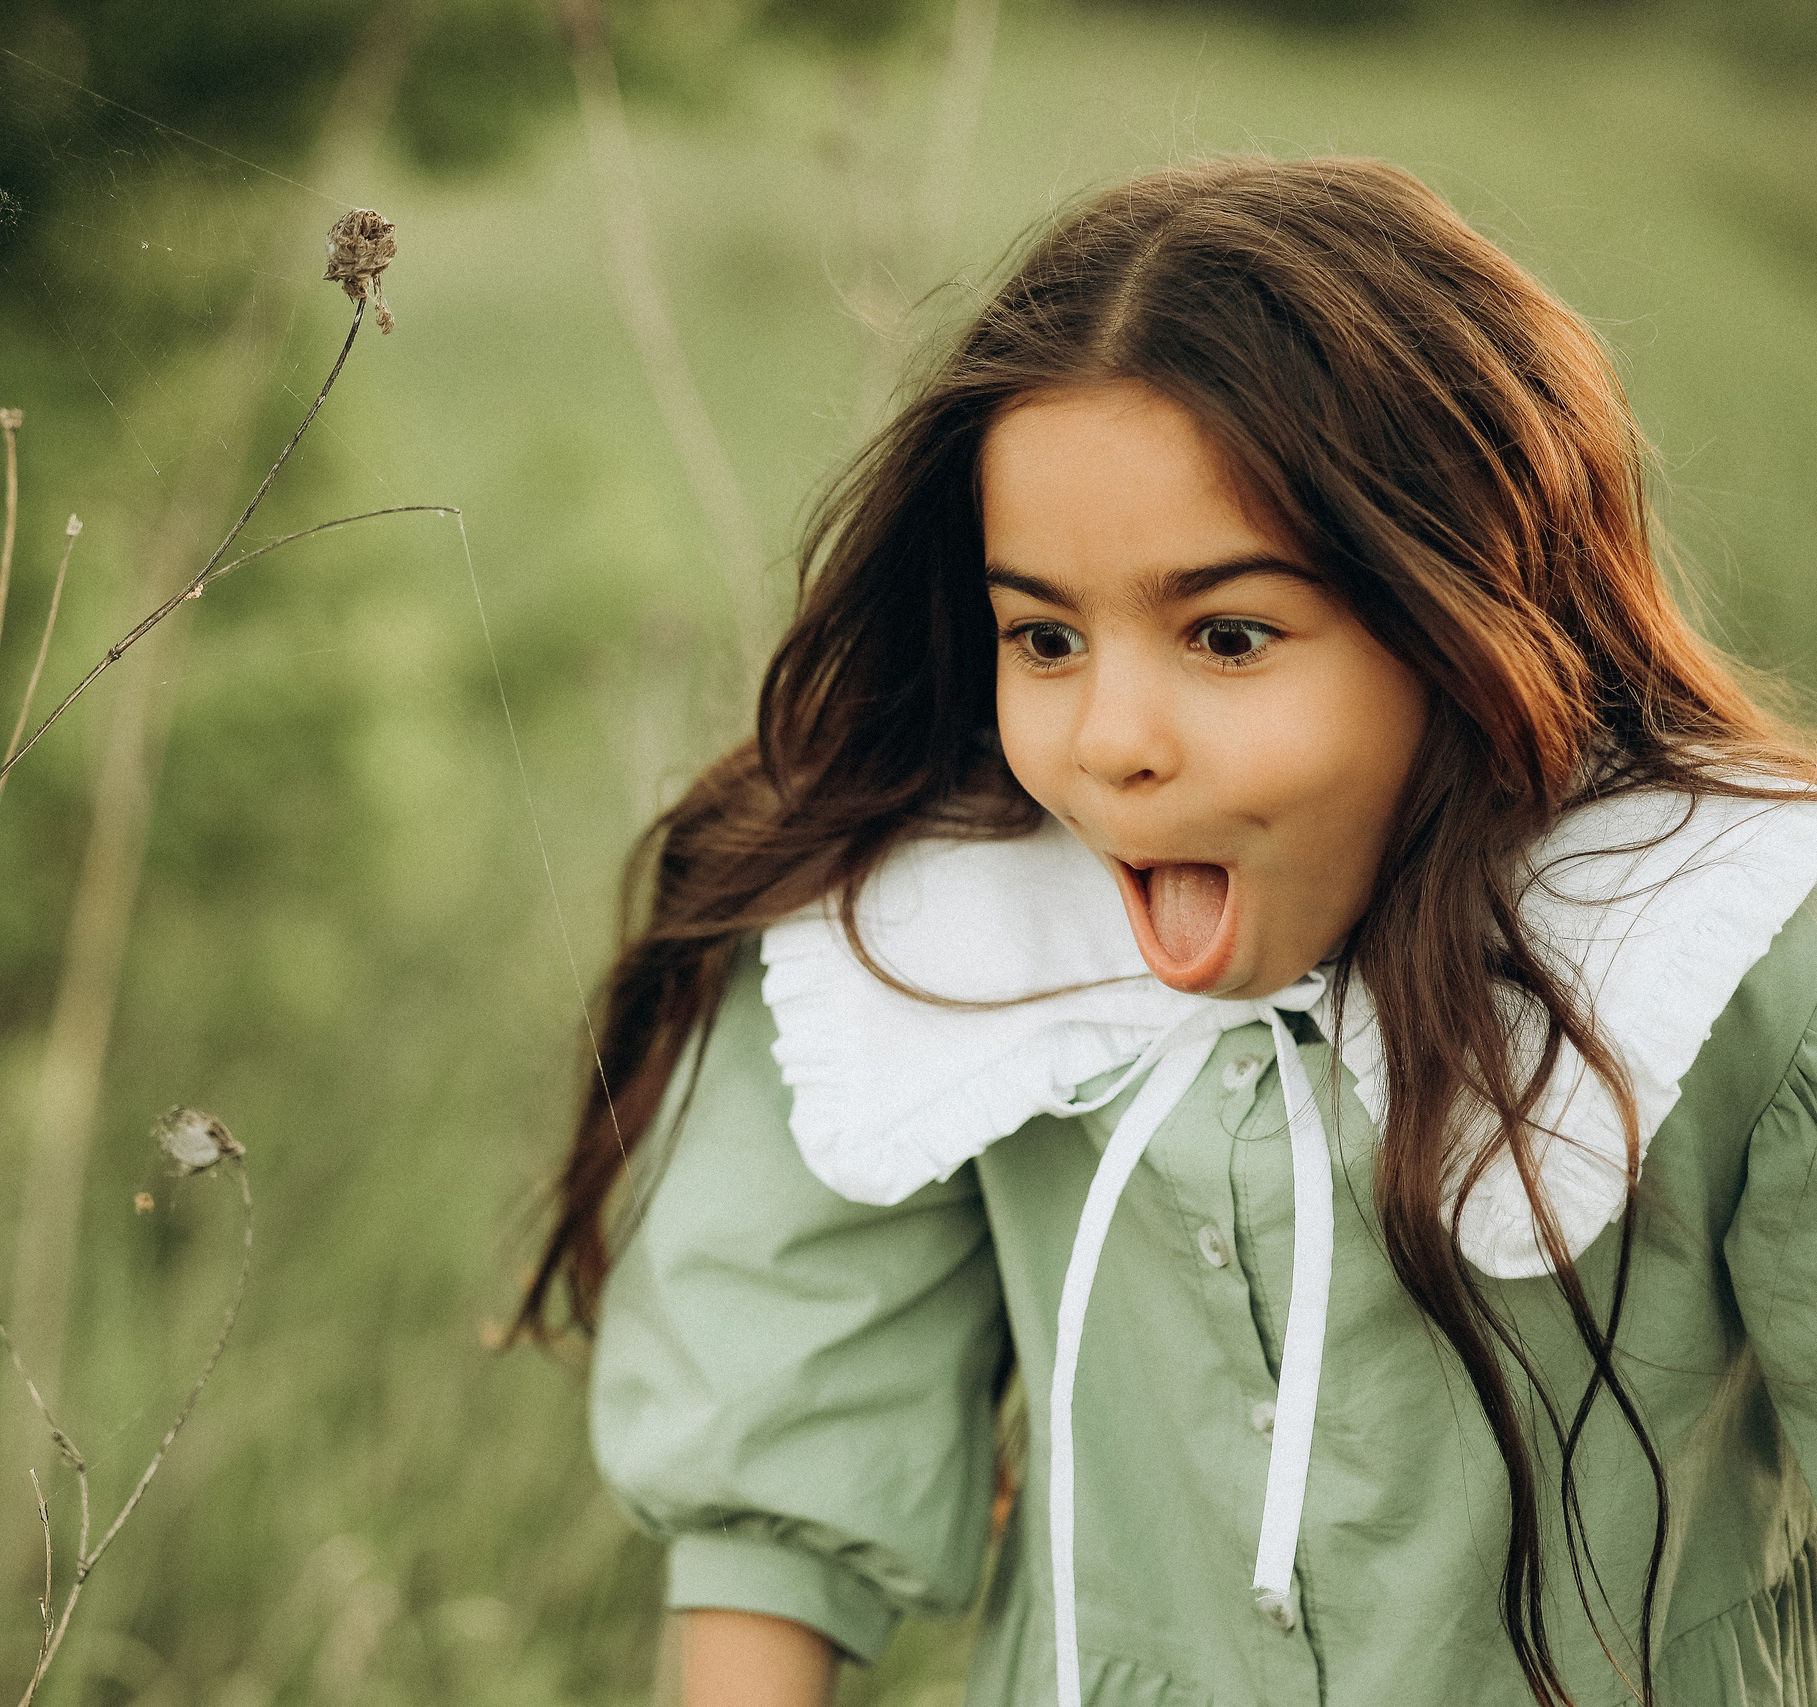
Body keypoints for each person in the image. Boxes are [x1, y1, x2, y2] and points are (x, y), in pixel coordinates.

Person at [516, 156, 1817, 1707]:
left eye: (1228, 635)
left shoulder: (1716, 942)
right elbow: (774, 1468)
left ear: (1463, 616)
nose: (1112, 740)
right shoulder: (928, 933)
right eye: (1044, 637)